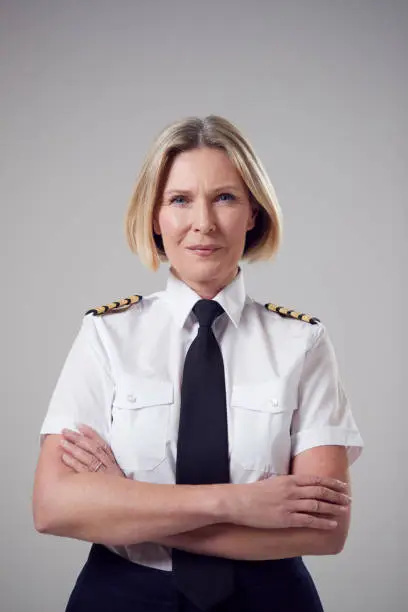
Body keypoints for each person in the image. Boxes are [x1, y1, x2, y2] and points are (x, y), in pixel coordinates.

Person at [33, 115, 364, 612]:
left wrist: (127, 501)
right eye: (180, 200)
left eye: (225, 198)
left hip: (269, 597)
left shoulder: (303, 342)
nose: (203, 223)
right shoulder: (106, 335)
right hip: (123, 594)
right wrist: (236, 504)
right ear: (154, 216)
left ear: (253, 212)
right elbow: (53, 508)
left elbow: (324, 532)